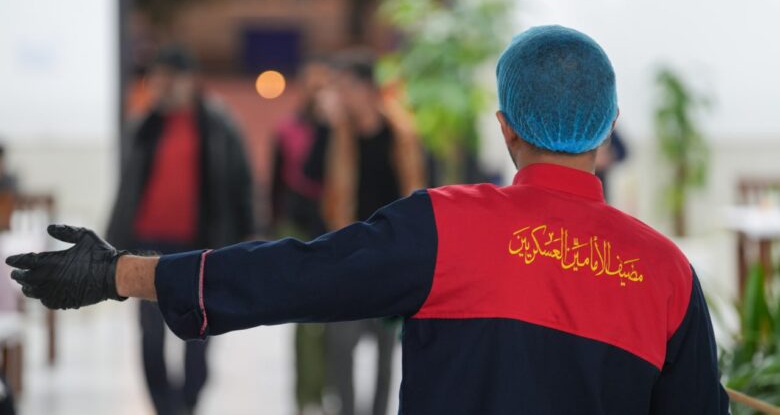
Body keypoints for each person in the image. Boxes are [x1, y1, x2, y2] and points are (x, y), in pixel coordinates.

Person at [6, 26, 729, 414]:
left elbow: (296, 274)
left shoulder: (447, 226)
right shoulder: (667, 274)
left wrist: (119, 273)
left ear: (506, 126)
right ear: (610, 125)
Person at [105, 45, 254, 415]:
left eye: (172, 77)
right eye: (157, 78)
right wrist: (115, 239)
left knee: (199, 330)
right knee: (150, 333)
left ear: (191, 80)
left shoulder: (218, 125)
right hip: (146, 244)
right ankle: (164, 407)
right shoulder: (143, 125)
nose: (164, 85)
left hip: (198, 245)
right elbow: (128, 188)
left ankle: (188, 401)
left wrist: (245, 236)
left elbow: (241, 183)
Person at [314, 51, 425, 415]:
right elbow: (311, 176)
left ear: (367, 89)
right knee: (340, 345)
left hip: (392, 256)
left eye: (346, 87)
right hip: (347, 254)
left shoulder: (401, 134)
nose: (341, 95)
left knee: (386, 350)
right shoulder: (336, 134)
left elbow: (421, 191)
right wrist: (324, 125)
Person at [270, 58, 332, 415]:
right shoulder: (288, 129)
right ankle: (305, 394)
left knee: (330, 318)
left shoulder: (339, 128)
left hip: (331, 223)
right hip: (296, 223)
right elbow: (279, 181)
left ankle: (324, 388)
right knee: (303, 317)